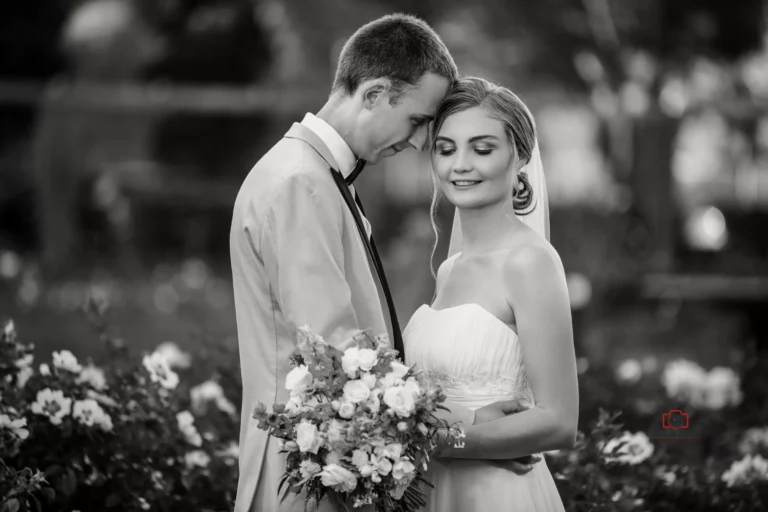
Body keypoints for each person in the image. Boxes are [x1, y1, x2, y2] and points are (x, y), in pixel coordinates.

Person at [230, 15, 534, 512]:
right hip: (307, 481)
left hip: (333, 467)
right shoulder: (300, 184)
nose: (419, 144)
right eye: (418, 121)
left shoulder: (314, 177)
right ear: (373, 94)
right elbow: (337, 357)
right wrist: (468, 426)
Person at [405, 77, 579, 511]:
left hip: (495, 494)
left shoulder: (530, 262)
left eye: (482, 149)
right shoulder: (449, 269)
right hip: (427, 490)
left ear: (520, 156)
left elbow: (559, 422)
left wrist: (443, 442)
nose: (460, 165)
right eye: (446, 149)